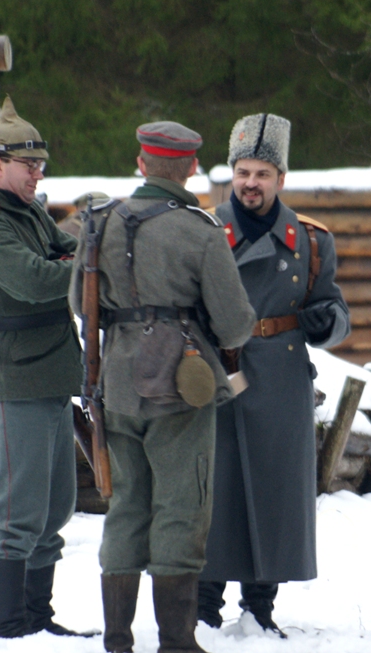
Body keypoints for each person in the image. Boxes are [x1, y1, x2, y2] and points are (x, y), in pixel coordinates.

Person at [70, 122, 257, 653]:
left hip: (118, 384)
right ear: (192, 167)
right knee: (182, 506)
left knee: (127, 504)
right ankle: (177, 640)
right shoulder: (199, 230)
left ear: (141, 163)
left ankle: (117, 638)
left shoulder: (99, 223)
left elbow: (77, 306)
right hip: (182, 385)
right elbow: (236, 324)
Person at [197, 113, 351, 635]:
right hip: (216, 373)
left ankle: (259, 608)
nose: (250, 183)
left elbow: (335, 308)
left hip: (282, 377)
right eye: (243, 172)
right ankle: (202, 606)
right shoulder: (203, 230)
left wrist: (326, 322)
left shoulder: (310, 241)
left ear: (281, 179)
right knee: (215, 491)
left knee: (274, 491)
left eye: (262, 173)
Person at [0, 96, 93, 639]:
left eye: (41, 165)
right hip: (15, 377)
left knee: (55, 508)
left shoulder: (28, 210)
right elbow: (38, 281)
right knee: (18, 513)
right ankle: (9, 624)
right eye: (28, 165)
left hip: (52, 373)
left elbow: (65, 253)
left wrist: (66, 260)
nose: (38, 174)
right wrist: (69, 263)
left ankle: (39, 617)